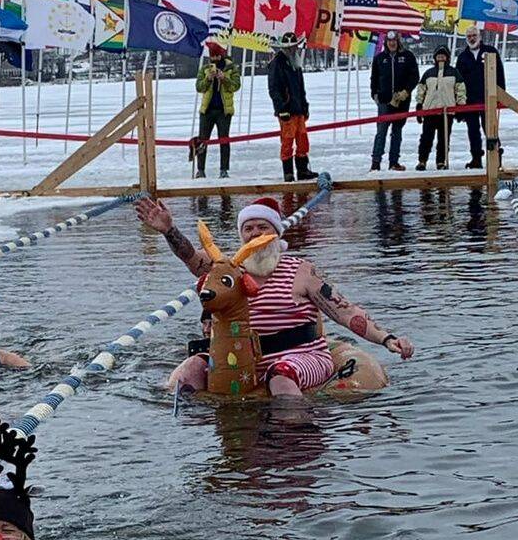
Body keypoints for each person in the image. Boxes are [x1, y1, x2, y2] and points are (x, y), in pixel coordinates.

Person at [137, 195, 415, 397]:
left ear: (276, 233)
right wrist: (169, 231)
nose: (255, 233)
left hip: (300, 356)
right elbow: (191, 257)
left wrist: (387, 339)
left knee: (281, 376)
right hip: (244, 360)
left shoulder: (302, 271)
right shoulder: (230, 271)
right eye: (249, 228)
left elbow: (344, 310)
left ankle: (290, 441)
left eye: (262, 227)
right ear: (242, 236)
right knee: (189, 371)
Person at [266, 33, 316, 183]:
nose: (292, 50)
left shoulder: (296, 63)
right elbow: (274, 89)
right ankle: (288, 173)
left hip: (298, 108)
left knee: (303, 140)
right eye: (288, 47)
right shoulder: (277, 63)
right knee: (287, 141)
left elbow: (301, 88)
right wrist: (281, 108)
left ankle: (302, 170)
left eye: (293, 47)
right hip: (287, 109)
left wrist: (305, 105)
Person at [454, 26, 506, 171]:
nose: (472, 38)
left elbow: (499, 75)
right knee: (473, 130)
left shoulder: (490, 52)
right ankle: (476, 158)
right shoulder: (463, 57)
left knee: (490, 129)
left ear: (479, 36)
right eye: (469, 36)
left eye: (474, 35)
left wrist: (500, 95)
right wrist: (459, 103)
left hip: (488, 98)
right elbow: (458, 81)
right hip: (469, 100)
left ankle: (496, 157)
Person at [368, 31, 420, 172]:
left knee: (397, 132)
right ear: (386, 42)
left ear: (398, 42)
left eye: (394, 41)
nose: (392, 44)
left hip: (401, 101)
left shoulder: (407, 56)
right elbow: (374, 78)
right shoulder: (380, 58)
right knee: (381, 132)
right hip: (384, 101)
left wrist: (406, 91)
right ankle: (376, 162)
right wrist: (375, 95)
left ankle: (393, 162)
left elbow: (415, 76)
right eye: (389, 41)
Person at [192, 41, 242, 179]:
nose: (214, 60)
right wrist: (208, 79)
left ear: (221, 56)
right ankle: (200, 170)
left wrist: (224, 78)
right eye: (211, 57)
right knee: (202, 140)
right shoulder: (205, 69)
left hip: (223, 111)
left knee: (224, 140)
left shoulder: (231, 68)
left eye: (216, 57)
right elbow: (199, 87)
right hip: (207, 110)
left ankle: (224, 170)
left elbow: (236, 86)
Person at [414, 46, 465, 171]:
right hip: (430, 110)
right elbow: (421, 90)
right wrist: (419, 105)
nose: (441, 58)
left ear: (447, 57)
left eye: (443, 55)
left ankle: (441, 161)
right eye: (438, 56)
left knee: (443, 139)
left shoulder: (454, 72)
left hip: (447, 111)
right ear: (435, 57)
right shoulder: (428, 73)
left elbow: (460, 90)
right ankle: (422, 161)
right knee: (426, 138)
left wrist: (460, 105)